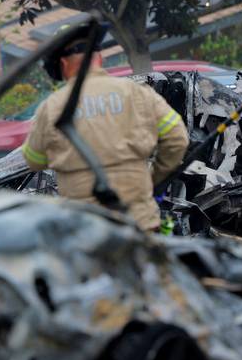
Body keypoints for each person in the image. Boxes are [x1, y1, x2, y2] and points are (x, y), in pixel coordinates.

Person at [22, 24, 189, 232]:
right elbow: (178, 138)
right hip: (139, 224)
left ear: (63, 64)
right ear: (99, 58)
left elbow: (33, 160)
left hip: (85, 231)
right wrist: (153, 178)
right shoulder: (136, 93)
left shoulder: (52, 107)